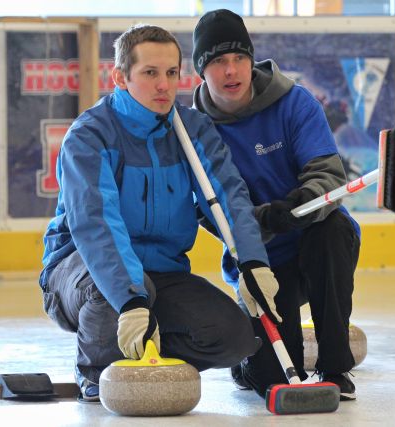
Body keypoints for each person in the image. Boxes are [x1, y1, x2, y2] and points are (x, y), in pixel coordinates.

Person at [39, 24, 282, 403]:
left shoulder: (193, 129)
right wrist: (131, 299)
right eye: (150, 73)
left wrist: (253, 262)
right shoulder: (90, 136)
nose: (164, 85)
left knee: (234, 337)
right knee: (123, 291)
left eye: (171, 73)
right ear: (120, 77)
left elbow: (229, 196)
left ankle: (139, 345)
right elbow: (96, 225)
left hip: (163, 273)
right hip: (82, 272)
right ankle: (97, 371)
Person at [192, 9, 361, 401]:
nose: (231, 70)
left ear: (251, 60)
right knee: (273, 375)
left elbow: (327, 173)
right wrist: (262, 219)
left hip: (316, 240)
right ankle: (248, 361)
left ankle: (336, 365)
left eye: (239, 58)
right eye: (218, 61)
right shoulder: (193, 131)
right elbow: (207, 211)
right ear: (201, 70)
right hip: (259, 261)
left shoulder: (294, 103)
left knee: (333, 230)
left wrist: (301, 203)